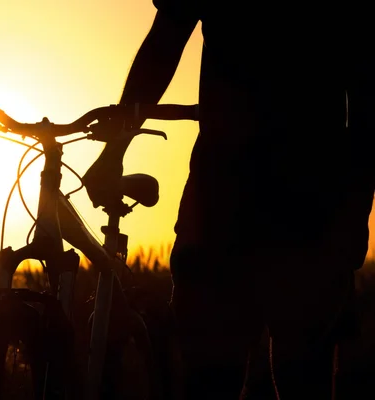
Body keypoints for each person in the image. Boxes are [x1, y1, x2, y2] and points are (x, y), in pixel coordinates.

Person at [106, 1, 374, 398]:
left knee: (291, 371)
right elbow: (163, 45)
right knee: (228, 372)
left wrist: (354, 212)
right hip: (261, 200)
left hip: (290, 203)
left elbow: (164, 44)